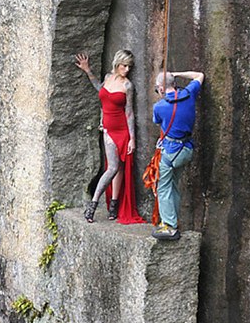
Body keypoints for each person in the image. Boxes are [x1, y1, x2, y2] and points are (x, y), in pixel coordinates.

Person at [74, 50, 145, 224]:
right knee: (114, 167)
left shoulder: (128, 86)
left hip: (122, 130)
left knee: (116, 167)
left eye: (129, 66)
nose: (127, 69)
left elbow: (129, 112)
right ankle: (99, 204)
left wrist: (132, 139)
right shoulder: (108, 77)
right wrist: (88, 70)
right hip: (108, 130)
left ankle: (104, 204)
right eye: (124, 65)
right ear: (117, 63)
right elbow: (100, 89)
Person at [150, 69, 204, 240]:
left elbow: (157, 121)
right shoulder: (189, 93)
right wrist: (177, 74)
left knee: (164, 186)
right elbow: (199, 76)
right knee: (173, 184)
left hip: (171, 152)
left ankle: (170, 226)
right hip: (186, 149)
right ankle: (172, 219)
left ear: (160, 87)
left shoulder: (159, 106)